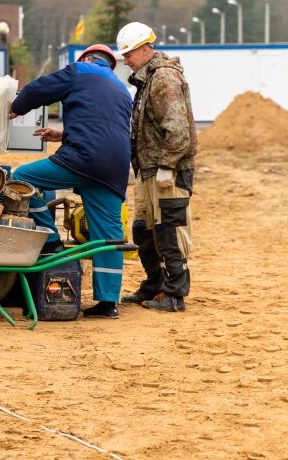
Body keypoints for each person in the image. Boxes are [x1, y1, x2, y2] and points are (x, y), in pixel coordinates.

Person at [10, 43, 133, 319]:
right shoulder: (122, 90)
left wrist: (16, 108)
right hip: (114, 167)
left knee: (23, 180)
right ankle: (108, 303)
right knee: (109, 235)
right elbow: (104, 127)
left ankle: (51, 241)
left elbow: (39, 88)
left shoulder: (80, 70)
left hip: (83, 157)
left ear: (88, 58)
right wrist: (63, 135)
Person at [115, 22, 197, 312]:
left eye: (129, 53)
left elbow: (177, 130)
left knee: (169, 230)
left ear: (145, 49)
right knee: (143, 231)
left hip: (167, 172)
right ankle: (155, 285)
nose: (125, 60)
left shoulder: (163, 78)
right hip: (149, 170)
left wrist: (167, 165)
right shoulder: (147, 79)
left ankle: (174, 295)